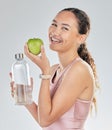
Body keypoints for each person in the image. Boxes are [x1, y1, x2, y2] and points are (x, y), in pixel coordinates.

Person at [10, 7, 99, 130]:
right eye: (54, 24)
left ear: (81, 38)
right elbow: (44, 120)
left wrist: (44, 73)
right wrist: (26, 98)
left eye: (65, 28)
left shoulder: (80, 69)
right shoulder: (53, 70)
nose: (55, 32)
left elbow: (45, 120)